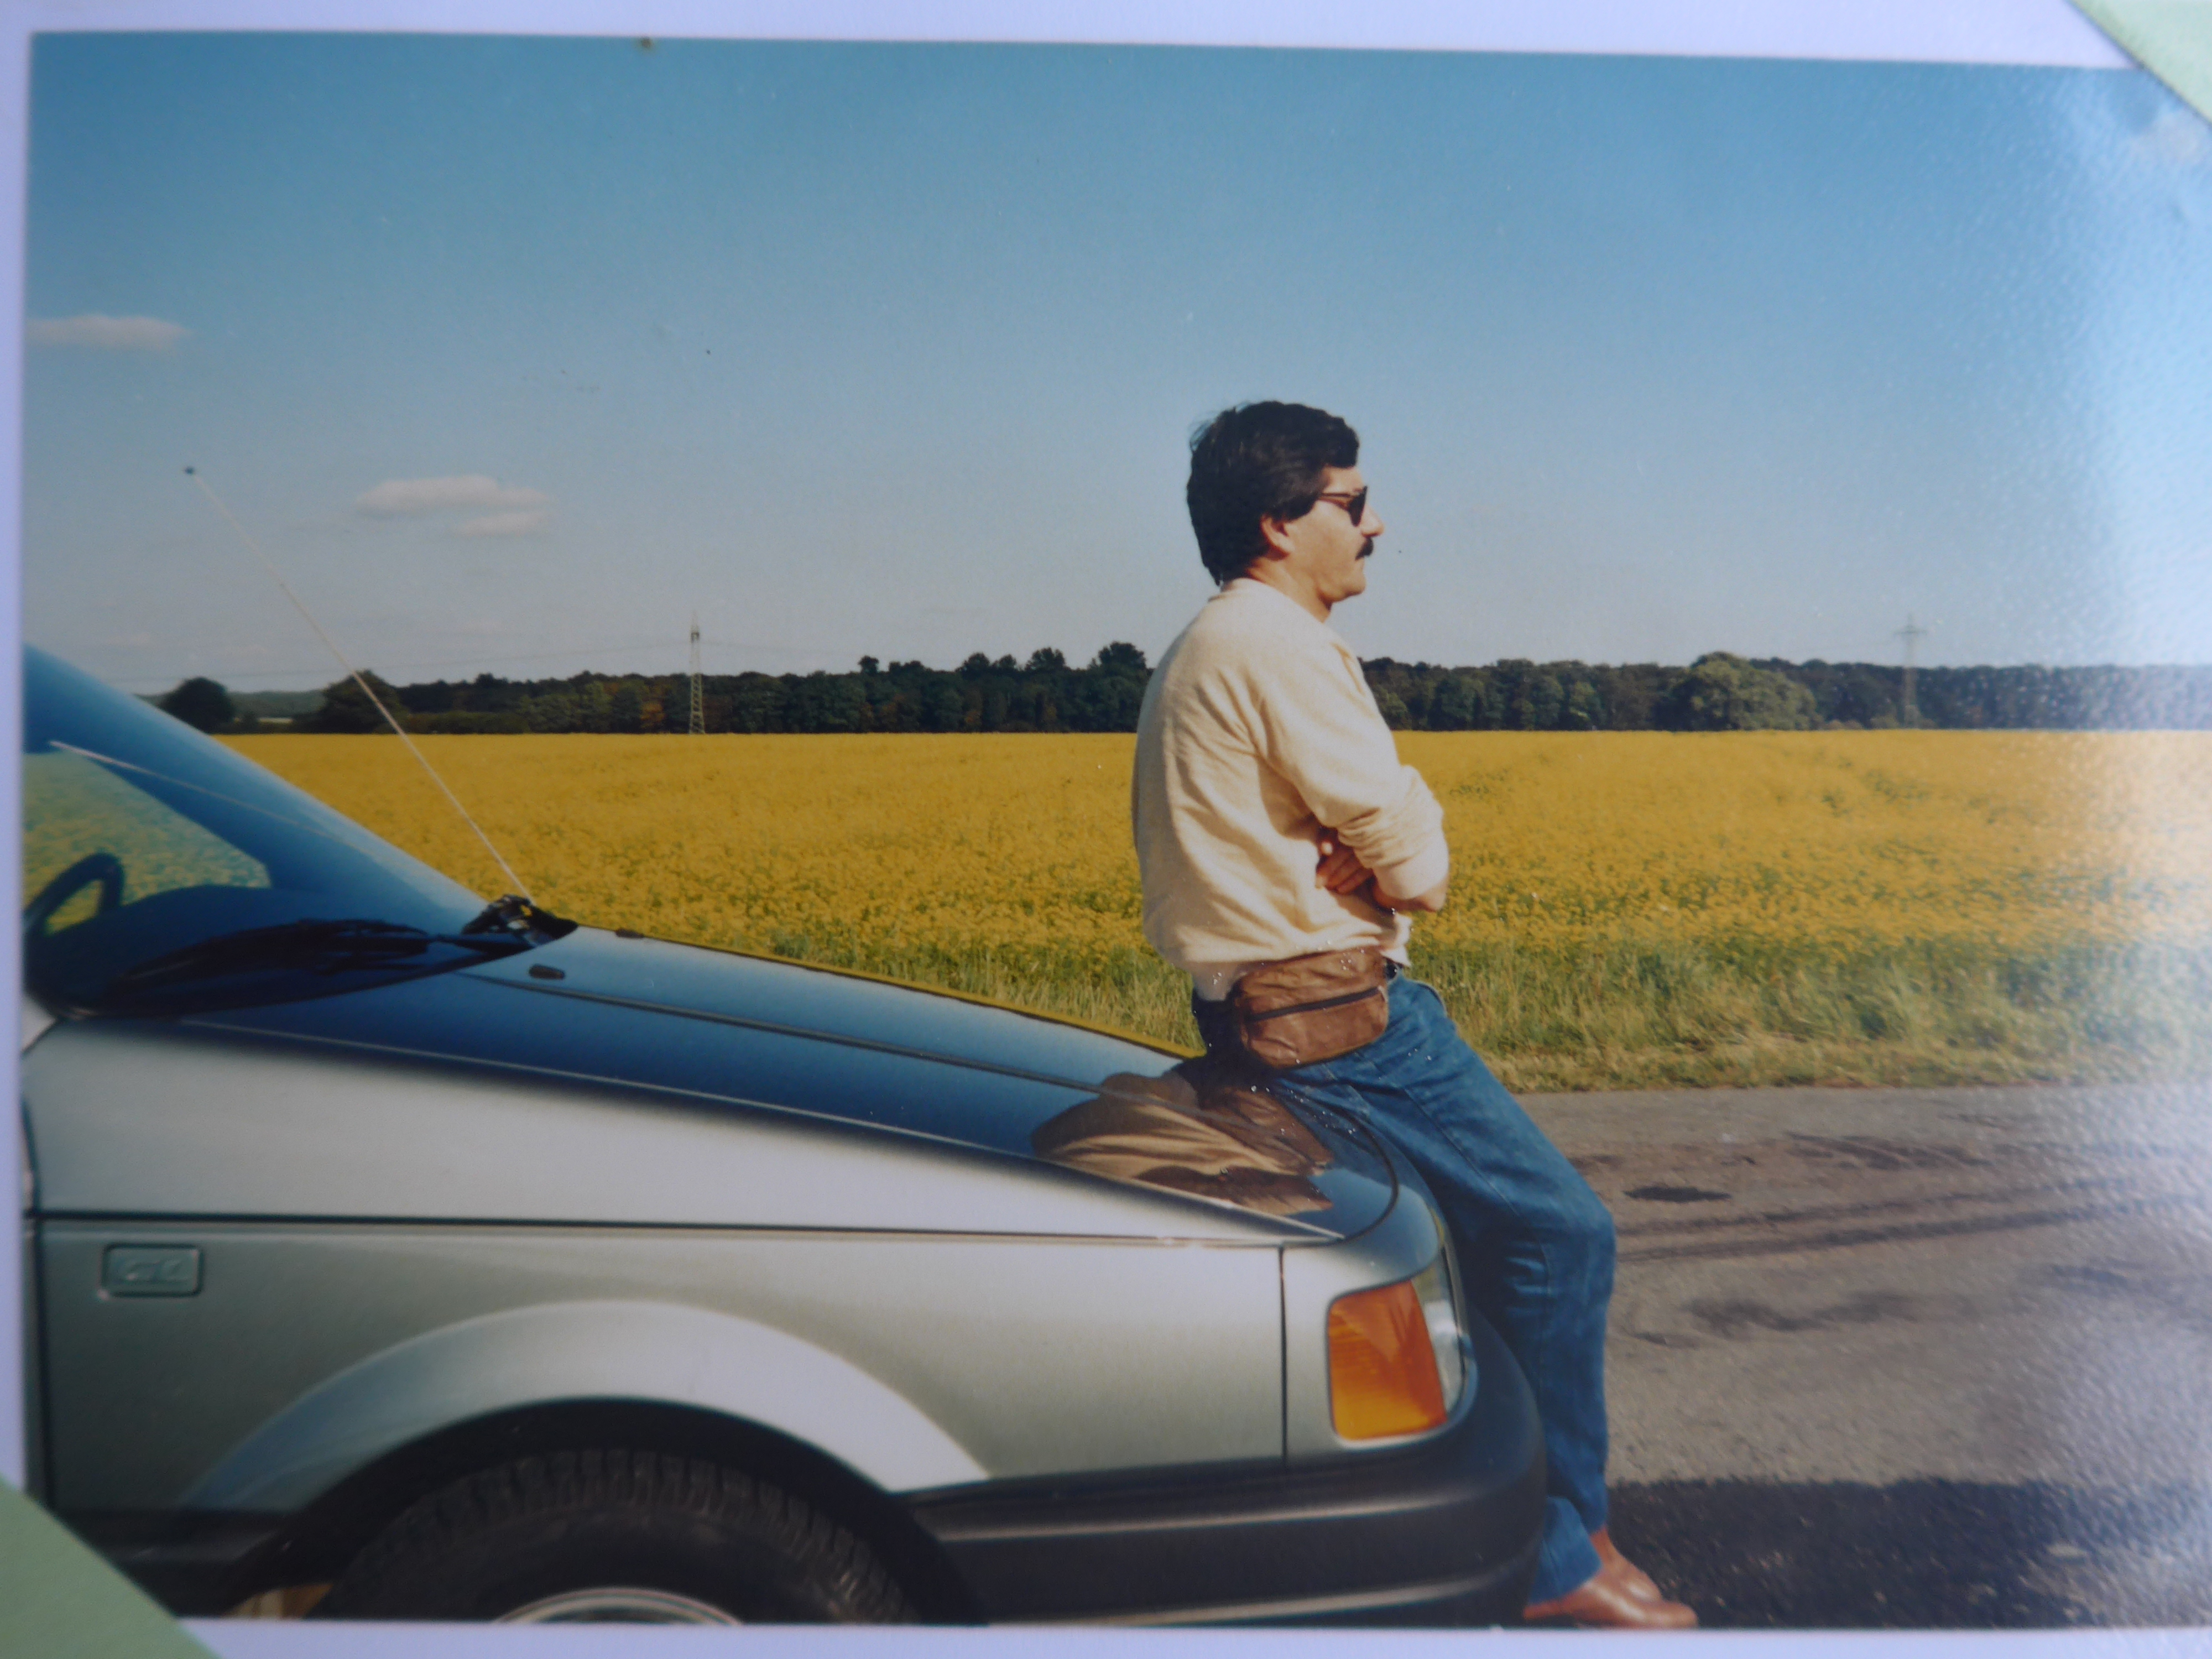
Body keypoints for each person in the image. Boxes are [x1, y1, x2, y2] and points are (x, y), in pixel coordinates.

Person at [1130, 400, 1695, 1630]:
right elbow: (1422, 864)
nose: (1375, 524)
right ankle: (1556, 1556)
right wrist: (1387, 847)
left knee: (1452, 1256)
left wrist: (1375, 840)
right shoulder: (1274, 645)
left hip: (1275, 1010)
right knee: (1559, 1237)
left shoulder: (1216, 642)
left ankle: (1543, 1530)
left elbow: (1383, 833)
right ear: (1279, 525)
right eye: (1351, 502)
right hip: (1338, 1021)